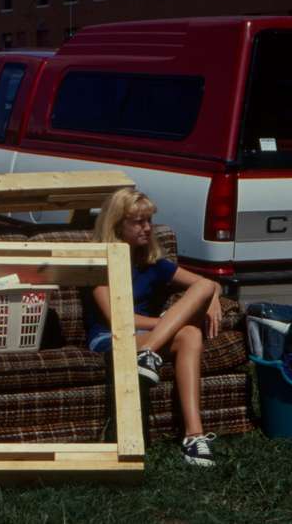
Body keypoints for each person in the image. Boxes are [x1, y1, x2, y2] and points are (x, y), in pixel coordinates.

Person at [86, 188, 225, 466]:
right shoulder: (99, 263)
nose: (148, 228)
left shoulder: (152, 263)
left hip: (146, 339)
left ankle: (194, 437)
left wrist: (214, 298)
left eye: (149, 220)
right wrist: (166, 322)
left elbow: (210, 284)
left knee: (192, 328)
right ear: (117, 224)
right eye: (138, 221)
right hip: (111, 338)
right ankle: (147, 352)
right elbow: (117, 319)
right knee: (186, 324)